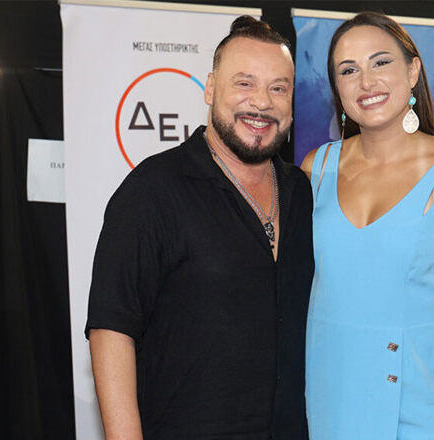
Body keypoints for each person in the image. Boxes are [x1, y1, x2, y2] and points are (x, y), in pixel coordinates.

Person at [86, 16, 314, 440]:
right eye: (244, 83)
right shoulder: (153, 190)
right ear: (210, 89)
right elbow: (111, 329)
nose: (261, 102)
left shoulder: (302, 192)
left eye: (278, 88)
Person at [301, 12, 434, 440]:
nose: (366, 82)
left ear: (413, 71)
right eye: (348, 70)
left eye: (381, 62)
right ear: (337, 88)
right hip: (326, 403)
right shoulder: (315, 169)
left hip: (423, 410)